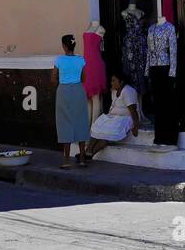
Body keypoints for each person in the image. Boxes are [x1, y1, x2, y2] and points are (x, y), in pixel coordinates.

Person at [51, 34, 90, 169]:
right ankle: (82, 159)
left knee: (64, 122)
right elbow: (84, 78)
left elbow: (53, 78)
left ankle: (66, 160)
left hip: (63, 92)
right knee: (81, 120)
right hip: (79, 91)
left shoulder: (59, 60)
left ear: (64, 46)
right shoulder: (81, 60)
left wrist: (64, 81)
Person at [85, 71, 140, 159]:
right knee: (98, 127)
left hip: (125, 118)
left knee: (107, 133)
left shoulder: (128, 91)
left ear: (121, 82)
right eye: (111, 81)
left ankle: (90, 154)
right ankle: (88, 151)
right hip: (114, 117)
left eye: (114, 81)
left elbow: (133, 111)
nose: (111, 83)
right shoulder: (114, 91)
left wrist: (135, 126)